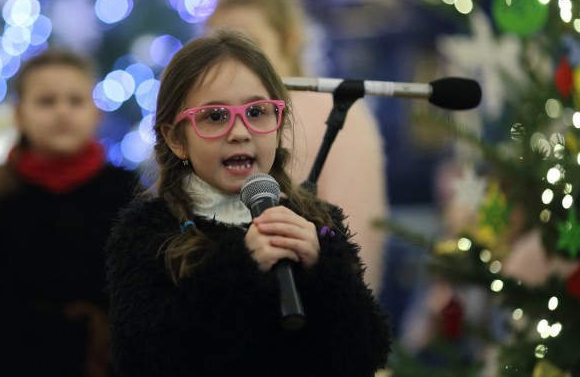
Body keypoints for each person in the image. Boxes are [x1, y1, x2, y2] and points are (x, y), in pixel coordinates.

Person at [106, 30, 391, 376]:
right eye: (214, 116)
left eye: (257, 112)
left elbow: (364, 354)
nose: (240, 131)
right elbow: (144, 358)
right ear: (176, 138)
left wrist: (322, 268)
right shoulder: (149, 229)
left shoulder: (316, 221)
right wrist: (241, 266)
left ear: (278, 123)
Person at [0, 49, 139, 377]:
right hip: (6, 360)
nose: (62, 112)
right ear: (19, 114)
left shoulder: (124, 189)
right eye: (46, 101)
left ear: (96, 113)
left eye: (75, 101)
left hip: (100, 361)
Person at [205, 0, 388, 293]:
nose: (232, 62)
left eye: (249, 46)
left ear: (289, 41)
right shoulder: (205, 120)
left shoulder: (338, 115)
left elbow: (358, 241)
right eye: (220, 46)